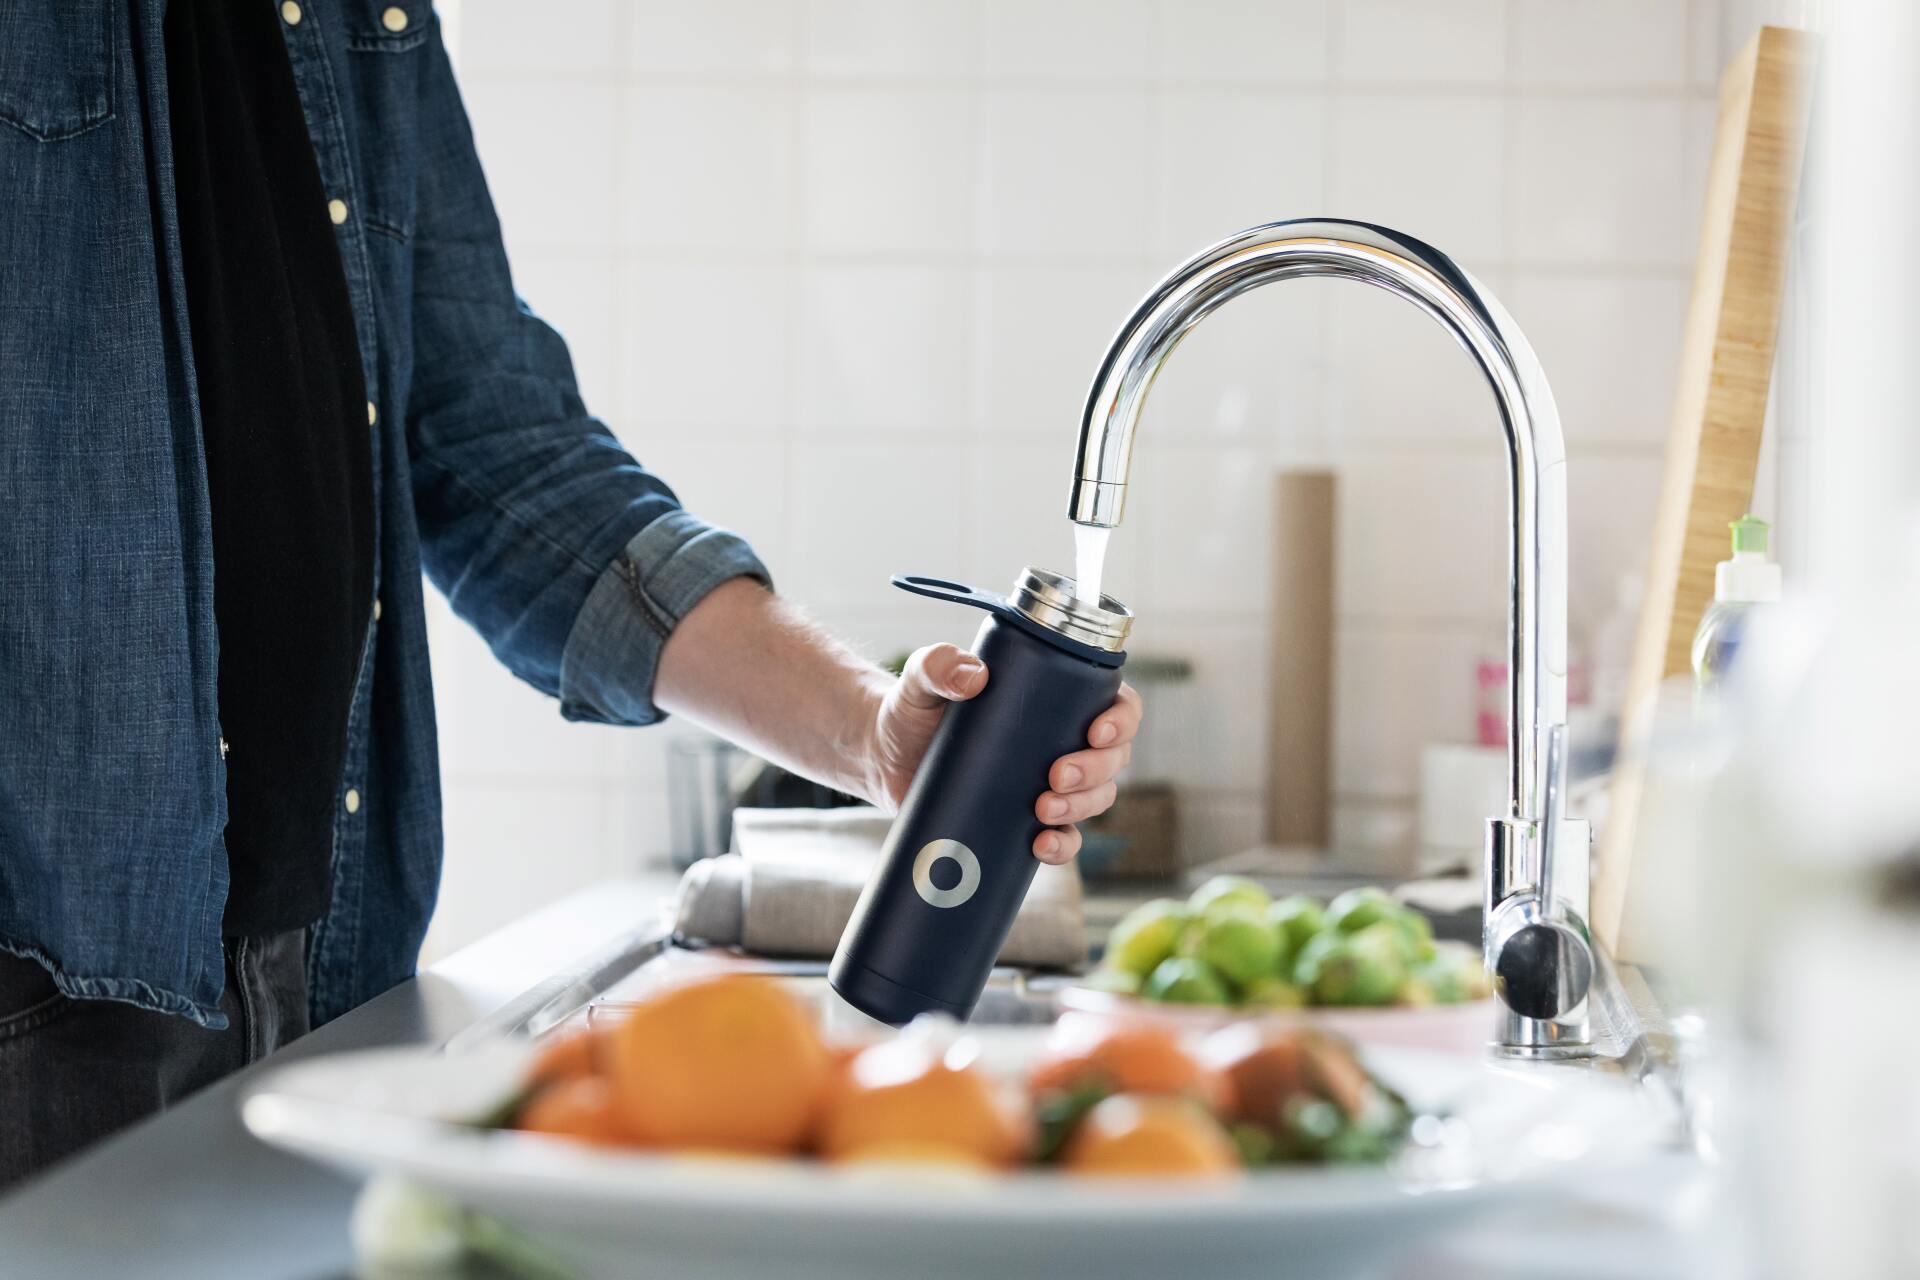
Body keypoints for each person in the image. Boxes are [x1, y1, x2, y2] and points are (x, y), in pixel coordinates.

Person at [0, 1, 1139, 1188]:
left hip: (309, 951)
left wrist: (870, 730)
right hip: (34, 967)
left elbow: (501, 456)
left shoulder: (355, 22)